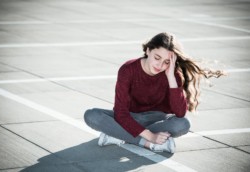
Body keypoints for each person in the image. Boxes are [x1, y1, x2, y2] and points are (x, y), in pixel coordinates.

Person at [84, 32, 223, 153]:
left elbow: (180, 113)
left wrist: (171, 77)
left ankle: (118, 134)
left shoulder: (172, 74)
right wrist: (150, 137)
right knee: (92, 115)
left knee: (183, 124)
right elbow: (121, 113)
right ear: (148, 50)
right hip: (128, 118)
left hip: (156, 120)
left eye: (167, 61)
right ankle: (145, 143)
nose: (160, 65)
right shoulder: (128, 70)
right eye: (157, 58)